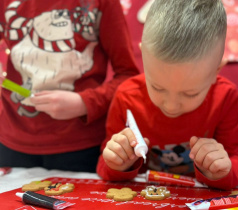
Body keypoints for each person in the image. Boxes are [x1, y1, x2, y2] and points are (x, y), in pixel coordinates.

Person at [97, 0, 238, 190]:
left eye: (190, 93)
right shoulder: (127, 97)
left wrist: (223, 171)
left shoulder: (225, 97)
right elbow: (105, 165)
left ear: (216, 71)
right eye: (158, 88)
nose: (171, 106)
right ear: (144, 56)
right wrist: (116, 162)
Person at [0, 0, 139, 172]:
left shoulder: (104, 3)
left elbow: (128, 76)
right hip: (11, 142)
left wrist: (84, 103)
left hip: (81, 147)